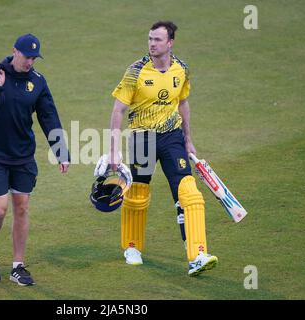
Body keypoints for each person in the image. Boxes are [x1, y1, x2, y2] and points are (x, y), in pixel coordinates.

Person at [97, 21, 217, 276]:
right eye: (150, 39)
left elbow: (183, 103)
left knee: (190, 192)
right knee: (138, 194)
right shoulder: (136, 71)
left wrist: (188, 138)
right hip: (142, 138)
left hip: (172, 137)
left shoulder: (181, 69)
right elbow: (118, 110)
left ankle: (197, 254)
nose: (152, 44)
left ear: (170, 42)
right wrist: (113, 151)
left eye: (158, 40)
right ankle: (132, 247)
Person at [0, 33, 70, 286]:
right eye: (26, 56)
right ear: (14, 51)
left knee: (22, 208)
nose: (30, 62)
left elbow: (49, 117)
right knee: (0, 210)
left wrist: (61, 151)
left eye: (34, 58)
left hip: (23, 156)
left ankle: (17, 266)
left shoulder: (38, 82)